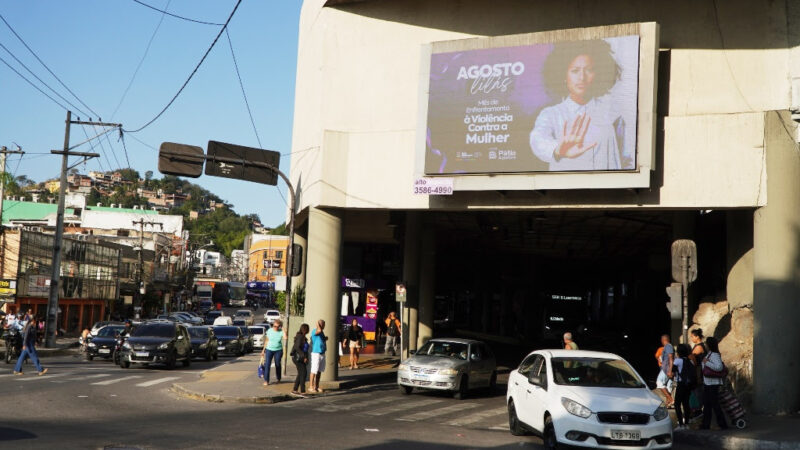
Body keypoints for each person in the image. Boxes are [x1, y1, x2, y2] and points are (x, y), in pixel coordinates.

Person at [530, 40, 632, 172]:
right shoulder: (552, 114)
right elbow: (538, 139)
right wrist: (557, 150)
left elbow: (626, 158)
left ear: (598, 74)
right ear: (563, 75)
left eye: (589, 70)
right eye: (575, 71)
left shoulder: (611, 113)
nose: (582, 77)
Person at [701, 336, 728, 430]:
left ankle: (722, 424)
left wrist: (707, 362)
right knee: (707, 405)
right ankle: (706, 424)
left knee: (714, 405)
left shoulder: (715, 355)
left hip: (713, 384)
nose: (705, 345)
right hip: (708, 383)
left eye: (706, 343)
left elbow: (719, 367)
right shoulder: (710, 354)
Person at [673, 344, 696, 429]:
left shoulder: (678, 361)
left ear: (678, 352)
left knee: (677, 404)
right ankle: (686, 423)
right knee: (686, 404)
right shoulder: (690, 361)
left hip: (681, 384)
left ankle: (680, 424)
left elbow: (672, 371)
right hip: (688, 385)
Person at [261, 319, 288, 386]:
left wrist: (283, 329)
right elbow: (267, 340)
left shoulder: (281, 331)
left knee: (277, 364)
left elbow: (285, 338)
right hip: (269, 349)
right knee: (267, 364)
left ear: (279, 326)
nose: (275, 327)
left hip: (278, 350)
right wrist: (263, 350)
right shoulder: (269, 331)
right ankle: (266, 380)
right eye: (274, 326)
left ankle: (278, 379)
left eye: (277, 326)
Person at [291, 323, 310, 397]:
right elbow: (297, 347)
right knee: (303, 373)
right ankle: (302, 391)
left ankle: (295, 390)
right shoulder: (300, 336)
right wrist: (303, 356)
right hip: (298, 358)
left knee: (300, 373)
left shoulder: (302, 336)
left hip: (300, 358)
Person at [309, 319, 327, 393]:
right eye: (323, 324)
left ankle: (316, 386)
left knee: (319, 371)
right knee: (314, 370)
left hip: (322, 353)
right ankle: (311, 386)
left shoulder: (322, 332)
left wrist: (325, 338)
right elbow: (318, 332)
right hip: (316, 353)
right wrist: (318, 324)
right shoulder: (315, 330)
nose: (324, 326)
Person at [656, 334, 674, 408]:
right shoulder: (668, 347)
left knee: (659, 382)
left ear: (663, 340)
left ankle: (671, 399)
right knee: (668, 386)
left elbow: (671, 358)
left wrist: (670, 370)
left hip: (666, 369)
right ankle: (668, 403)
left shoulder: (668, 346)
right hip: (667, 368)